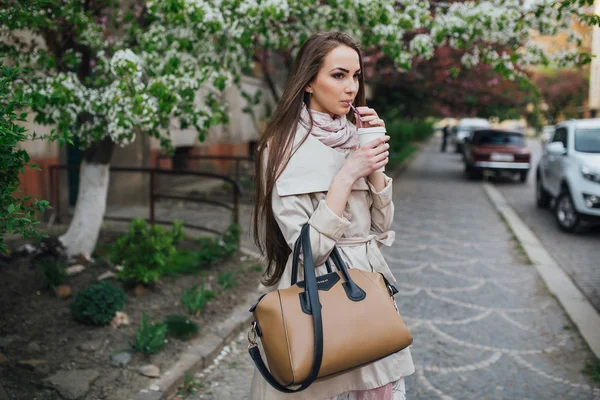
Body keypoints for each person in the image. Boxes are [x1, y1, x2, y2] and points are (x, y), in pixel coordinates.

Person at [251, 32, 415, 400]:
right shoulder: (279, 150)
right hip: (319, 300)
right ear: (309, 81)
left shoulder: (355, 135)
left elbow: (381, 228)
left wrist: (371, 159)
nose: (352, 88)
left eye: (356, 77)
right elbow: (308, 249)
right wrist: (345, 175)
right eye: (339, 75)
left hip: (369, 293)